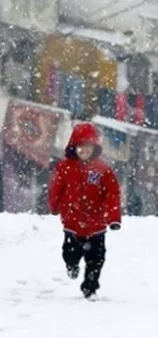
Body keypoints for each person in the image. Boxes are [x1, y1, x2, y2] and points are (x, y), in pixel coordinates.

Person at [47, 121, 121, 300]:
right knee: (70, 253)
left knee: (96, 259)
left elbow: (112, 194)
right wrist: (54, 206)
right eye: (81, 147)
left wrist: (113, 217)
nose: (85, 151)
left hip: (97, 224)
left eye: (89, 147)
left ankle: (90, 287)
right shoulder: (65, 167)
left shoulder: (103, 170)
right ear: (74, 147)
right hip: (72, 222)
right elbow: (56, 189)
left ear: (94, 148)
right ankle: (72, 265)